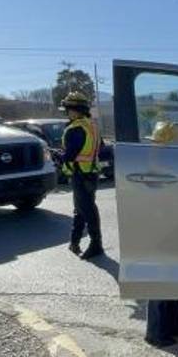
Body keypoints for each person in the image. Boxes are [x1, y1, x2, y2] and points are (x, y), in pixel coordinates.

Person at [59, 92, 105, 260]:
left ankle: (96, 244)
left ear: (76, 110)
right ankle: (74, 242)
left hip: (80, 174)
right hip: (91, 173)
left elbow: (70, 155)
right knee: (81, 208)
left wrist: (60, 156)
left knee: (86, 209)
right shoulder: (91, 126)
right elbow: (100, 148)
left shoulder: (75, 128)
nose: (67, 113)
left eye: (68, 109)